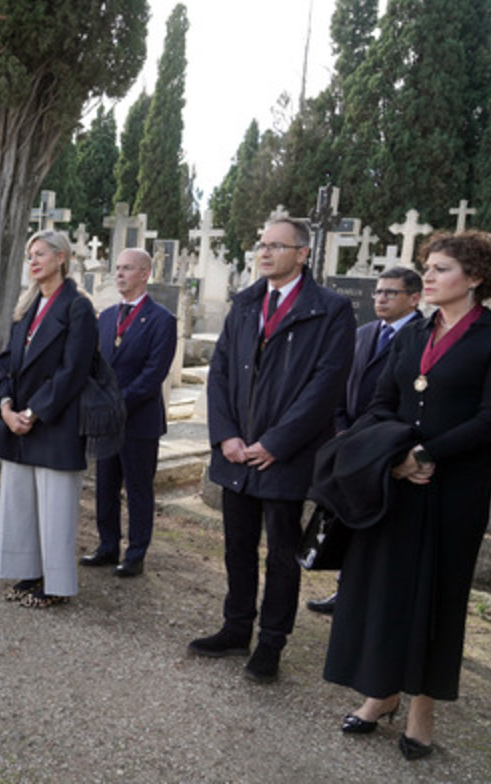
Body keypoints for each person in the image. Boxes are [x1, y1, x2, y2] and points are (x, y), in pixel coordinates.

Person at [323, 231, 491, 760]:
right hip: (398, 481)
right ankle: (381, 693)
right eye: (427, 267)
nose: (427, 277)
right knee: (389, 588)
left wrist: (427, 456)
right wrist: (397, 459)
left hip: (455, 489)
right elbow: (382, 402)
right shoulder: (411, 334)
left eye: (441, 269)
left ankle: (423, 709)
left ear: (474, 278)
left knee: (437, 598)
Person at [189, 217, 354, 683]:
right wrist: (225, 436)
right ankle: (235, 627)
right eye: (261, 244)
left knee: (281, 554)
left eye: (276, 246)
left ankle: (271, 644)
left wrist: (277, 443)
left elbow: (325, 386)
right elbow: (220, 371)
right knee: (237, 547)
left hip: (285, 455)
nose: (264, 253)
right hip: (237, 452)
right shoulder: (245, 303)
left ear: (302, 253)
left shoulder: (330, 310)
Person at [307, 266, 423, 615]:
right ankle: (346, 589)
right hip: (351, 442)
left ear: (414, 298)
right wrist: (341, 428)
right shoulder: (365, 332)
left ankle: (373, 599)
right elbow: (342, 384)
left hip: (386, 447)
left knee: (378, 526)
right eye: (378, 292)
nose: (381, 298)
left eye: (391, 292)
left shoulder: (421, 336)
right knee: (348, 518)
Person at [0, 231, 96, 606]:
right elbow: (7, 363)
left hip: (55, 422)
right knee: (21, 505)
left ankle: (56, 586)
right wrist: (5, 407)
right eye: (29, 255)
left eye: (40, 254)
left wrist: (33, 413)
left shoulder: (77, 307)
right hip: (17, 421)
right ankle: (31, 573)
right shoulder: (26, 306)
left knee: (55, 511)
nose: (33, 262)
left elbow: (73, 371)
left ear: (62, 258)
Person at [81, 248, 177, 578]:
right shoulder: (106, 317)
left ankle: (136, 553)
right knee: (105, 486)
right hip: (107, 422)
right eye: (117, 268)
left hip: (139, 422)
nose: (119, 274)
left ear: (145, 273)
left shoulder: (163, 320)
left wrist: (115, 403)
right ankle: (108, 546)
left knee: (138, 490)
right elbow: (94, 365)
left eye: (127, 269)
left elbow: (153, 374)